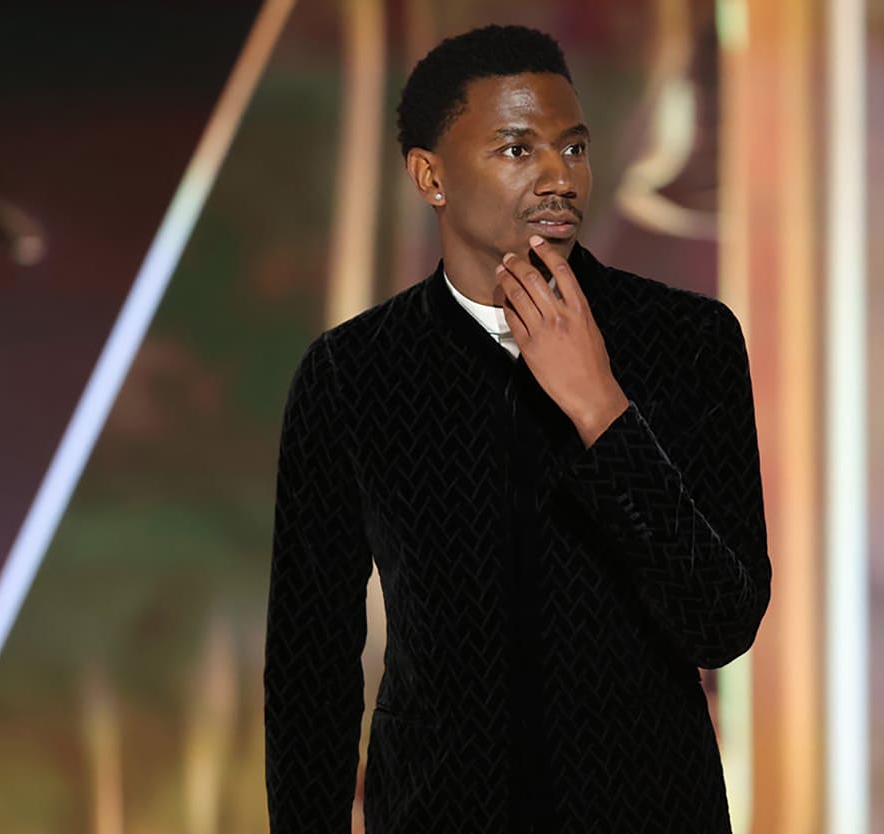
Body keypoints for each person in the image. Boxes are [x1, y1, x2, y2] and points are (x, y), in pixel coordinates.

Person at [264, 23, 772, 834]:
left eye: (572, 149)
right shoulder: (351, 372)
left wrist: (601, 409)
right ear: (430, 176)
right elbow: (309, 666)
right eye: (515, 150)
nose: (557, 178)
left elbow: (723, 622)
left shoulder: (690, 341)